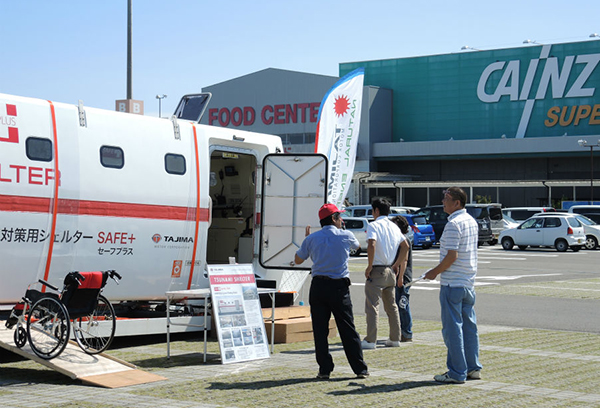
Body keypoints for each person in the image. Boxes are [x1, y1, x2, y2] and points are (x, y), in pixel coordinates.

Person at [295, 203, 369, 380]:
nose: (341, 220)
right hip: (339, 287)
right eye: (339, 217)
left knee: (320, 330)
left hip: (318, 286)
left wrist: (307, 241)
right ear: (334, 219)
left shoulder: (311, 239)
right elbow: (357, 246)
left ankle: (324, 369)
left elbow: (298, 260)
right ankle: (360, 368)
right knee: (348, 328)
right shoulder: (346, 235)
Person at [424, 187, 483, 384]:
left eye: (446, 199)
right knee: (469, 327)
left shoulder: (453, 224)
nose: (443, 202)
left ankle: (457, 372)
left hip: (452, 283)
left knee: (453, 330)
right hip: (468, 282)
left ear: (457, 203)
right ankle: (473, 368)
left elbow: (451, 256)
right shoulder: (471, 221)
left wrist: (434, 272)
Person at [362, 198, 409, 349]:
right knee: (392, 306)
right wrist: (396, 264)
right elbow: (405, 246)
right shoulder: (395, 227)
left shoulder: (373, 225)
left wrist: (369, 266)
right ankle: (395, 338)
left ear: (376, 210)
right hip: (391, 270)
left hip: (377, 269)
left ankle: (370, 340)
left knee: (372, 306)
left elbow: (372, 244)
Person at [390, 216, 413, 342]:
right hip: (398, 276)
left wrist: (400, 278)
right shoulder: (398, 239)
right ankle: (401, 331)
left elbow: (404, 260)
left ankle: (407, 333)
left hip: (403, 277)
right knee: (399, 305)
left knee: (402, 305)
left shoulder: (404, 240)